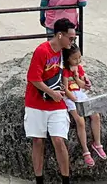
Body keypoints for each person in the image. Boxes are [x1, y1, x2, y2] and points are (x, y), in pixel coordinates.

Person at [26, 18, 76, 184]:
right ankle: (39, 179)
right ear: (60, 35)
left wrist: (82, 81)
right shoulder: (42, 51)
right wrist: (52, 93)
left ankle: (65, 180)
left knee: (59, 140)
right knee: (38, 141)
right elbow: (33, 78)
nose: (73, 41)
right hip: (36, 102)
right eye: (71, 38)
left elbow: (73, 70)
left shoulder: (65, 51)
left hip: (56, 104)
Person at [63, 44, 106, 168]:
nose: (78, 61)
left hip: (80, 94)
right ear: (68, 59)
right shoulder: (65, 71)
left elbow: (82, 85)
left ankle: (97, 143)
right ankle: (85, 150)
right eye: (75, 59)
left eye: (79, 58)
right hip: (71, 97)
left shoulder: (78, 68)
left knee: (95, 116)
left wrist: (77, 77)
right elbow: (65, 88)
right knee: (80, 121)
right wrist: (74, 99)